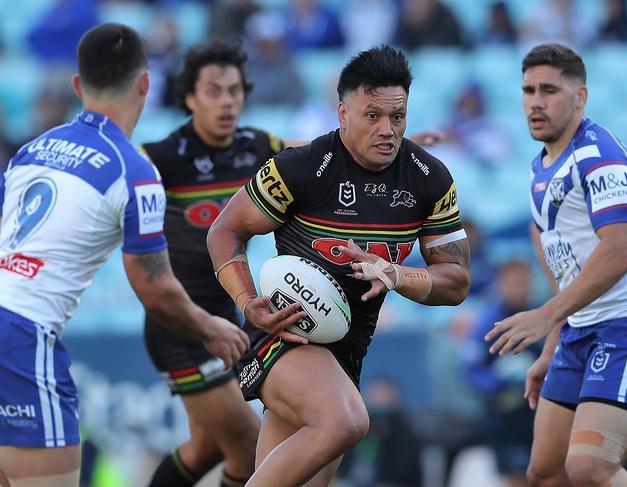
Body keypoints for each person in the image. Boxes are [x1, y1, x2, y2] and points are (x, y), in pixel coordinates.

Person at [207, 44, 471, 487]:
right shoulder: (302, 168)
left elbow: (457, 282)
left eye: (398, 117)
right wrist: (248, 301)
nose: (388, 129)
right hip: (284, 333)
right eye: (373, 116)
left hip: (346, 353)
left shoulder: (430, 180)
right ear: (342, 113)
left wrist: (396, 274)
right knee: (347, 422)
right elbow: (225, 232)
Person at [0, 23, 250, 487]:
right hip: (23, 338)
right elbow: (154, 289)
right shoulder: (134, 170)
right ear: (145, 83)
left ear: (78, 86)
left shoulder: (30, 151)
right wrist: (211, 328)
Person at [140, 39, 303, 487]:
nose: (227, 100)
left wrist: (381, 148)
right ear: (190, 97)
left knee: (204, 449)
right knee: (251, 449)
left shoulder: (258, 146)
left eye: (234, 90)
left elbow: (319, 156)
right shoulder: (161, 158)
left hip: (230, 315)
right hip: (180, 324)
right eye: (214, 90)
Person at [486, 43, 627, 487]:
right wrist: (553, 346)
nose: (536, 101)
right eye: (528, 90)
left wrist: (545, 317)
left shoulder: (600, 158)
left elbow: (622, 250)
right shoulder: (542, 168)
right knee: (546, 472)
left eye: (550, 90)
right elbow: (568, 276)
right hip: (578, 333)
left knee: (591, 469)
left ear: (580, 98)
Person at [465, 260, 539, 487]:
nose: (519, 287)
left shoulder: (542, 317)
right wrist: (498, 386)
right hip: (506, 417)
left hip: (540, 411)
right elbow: (471, 367)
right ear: (501, 284)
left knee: (548, 473)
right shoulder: (488, 321)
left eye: (523, 282)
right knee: (516, 477)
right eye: (513, 282)